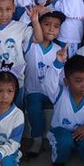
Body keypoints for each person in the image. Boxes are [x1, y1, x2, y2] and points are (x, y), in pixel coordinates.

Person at [40, 51, 84, 166]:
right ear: (66, 81)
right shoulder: (59, 94)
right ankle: (59, 161)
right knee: (64, 141)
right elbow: (48, 83)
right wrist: (58, 63)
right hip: (60, 133)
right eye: (78, 81)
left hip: (81, 133)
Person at [25, 10, 65, 158]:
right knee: (34, 109)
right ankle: (37, 140)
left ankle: (53, 137)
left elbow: (61, 76)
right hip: (34, 90)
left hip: (52, 91)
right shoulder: (29, 44)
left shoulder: (58, 50)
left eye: (56, 26)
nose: (51, 29)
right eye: (47, 24)